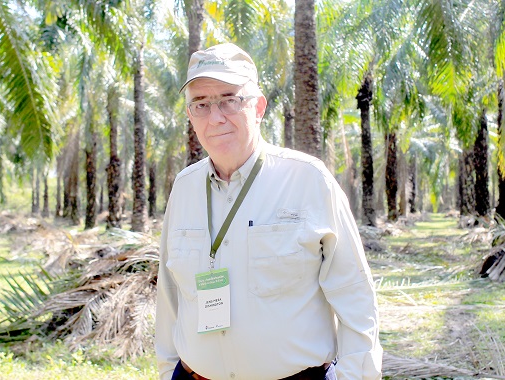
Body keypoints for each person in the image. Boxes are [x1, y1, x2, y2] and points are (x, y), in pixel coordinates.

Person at [155, 43, 382, 380]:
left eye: (229, 99)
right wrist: (167, 371)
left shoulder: (307, 180)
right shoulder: (185, 188)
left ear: (258, 107)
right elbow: (169, 296)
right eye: (201, 104)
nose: (215, 117)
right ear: (190, 115)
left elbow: (355, 296)